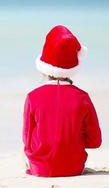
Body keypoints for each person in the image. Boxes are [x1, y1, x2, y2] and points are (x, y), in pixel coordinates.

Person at [23, 25, 102, 177]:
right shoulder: (83, 97)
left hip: (42, 170)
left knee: (25, 149)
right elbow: (95, 141)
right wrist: (71, 137)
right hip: (74, 168)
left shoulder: (32, 97)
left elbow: (27, 141)